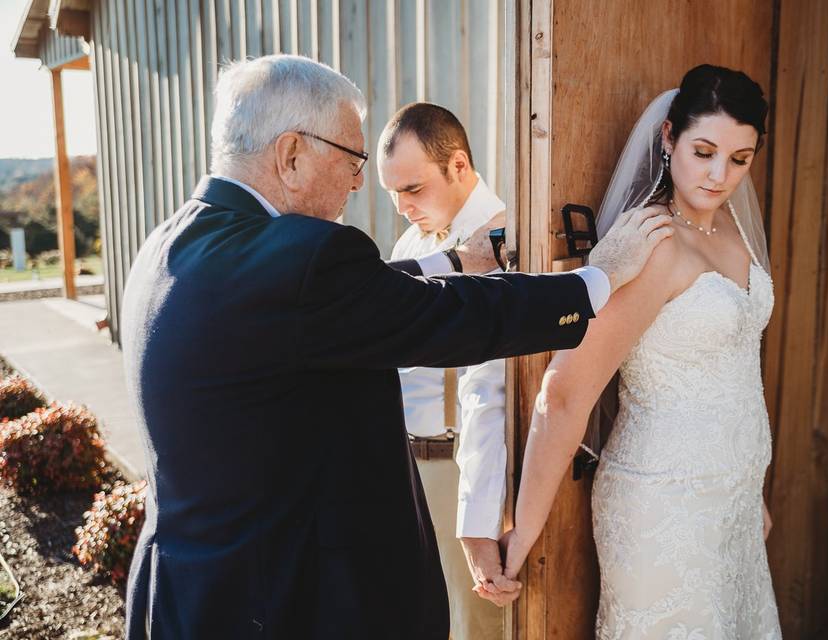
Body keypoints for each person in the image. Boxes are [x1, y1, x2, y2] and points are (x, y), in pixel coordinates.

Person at [119, 54, 672, 639]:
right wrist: (597, 279)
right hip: (277, 601)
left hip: (186, 590)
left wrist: (454, 261)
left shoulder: (172, 243)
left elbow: (345, 298)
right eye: (353, 160)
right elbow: (442, 315)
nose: (359, 183)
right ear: (291, 155)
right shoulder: (302, 261)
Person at [501, 64, 783, 638]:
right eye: (703, 151)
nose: (719, 174)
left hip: (730, 499)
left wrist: (749, 492)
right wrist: (521, 533)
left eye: (739, 159)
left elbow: (733, 366)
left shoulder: (733, 227)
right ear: (669, 137)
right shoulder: (651, 245)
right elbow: (564, 394)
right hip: (664, 505)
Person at [380, 102, 509, 638]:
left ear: (458, 166)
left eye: (413, 189)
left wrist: (476, 525)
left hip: (461, 471)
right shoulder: (413, 241)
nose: (403, 207)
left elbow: (490, 391)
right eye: (394, 195)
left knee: (471, 628)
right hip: (406, 467)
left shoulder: (502, 237)